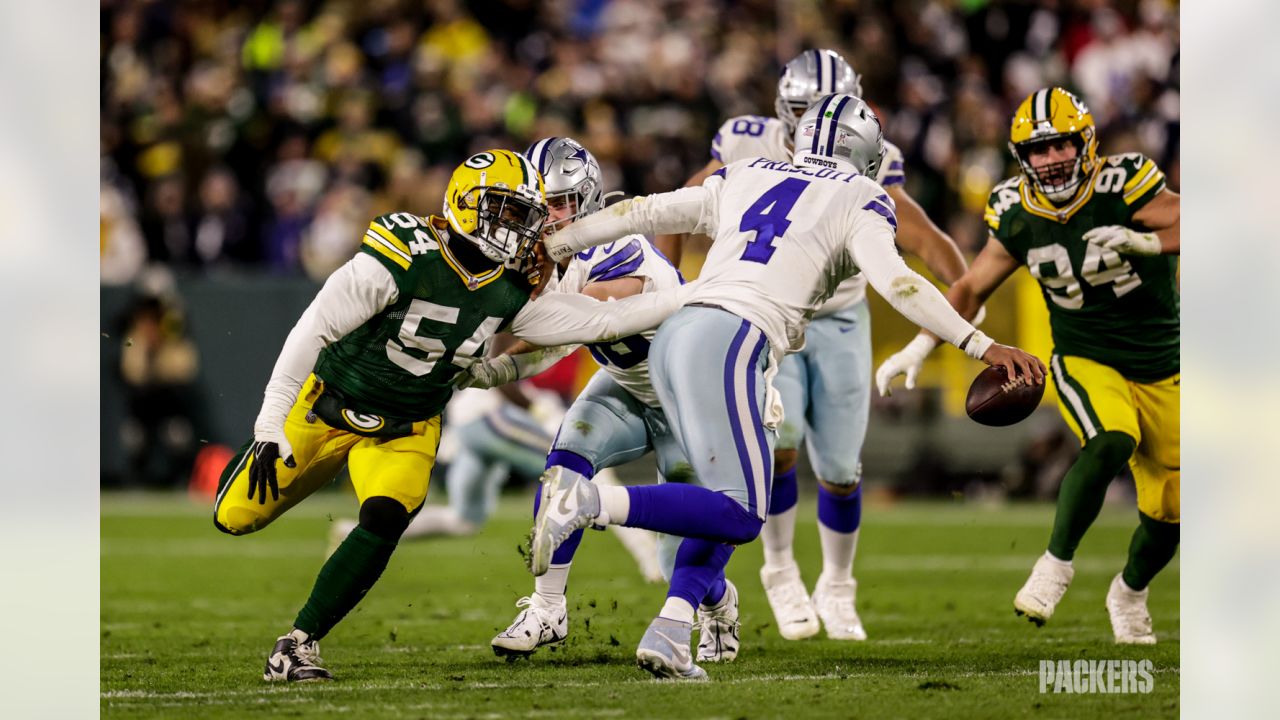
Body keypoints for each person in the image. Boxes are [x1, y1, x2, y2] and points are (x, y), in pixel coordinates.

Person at [534, 95, 1044, 680]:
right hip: (731, 338)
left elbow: (645, 213)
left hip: (678, 334)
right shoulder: (859, 195)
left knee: (724, 498)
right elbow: (901, 285)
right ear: (867, 153)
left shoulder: (750, 171)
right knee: (742, 510)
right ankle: (589, 502)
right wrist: (982, 345)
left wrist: (556, 245)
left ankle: (674, 627)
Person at [212, 149, 694, 682]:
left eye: (524, 215)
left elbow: (601, 322)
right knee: (235, 517)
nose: (518, 228)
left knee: (386, 517)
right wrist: (269, 421)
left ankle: (298, 644)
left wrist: (700, 291)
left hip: (408, 426)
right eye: (506, 211)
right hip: (326, 405)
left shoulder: (513, 288)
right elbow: (314, 328)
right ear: (466, 203)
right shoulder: (404, 251)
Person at [659, 49, 969, 641]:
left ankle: (837, 584)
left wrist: (965, 288)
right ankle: (779, 571)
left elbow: (921, 232)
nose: (815, 124)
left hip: (844, 317)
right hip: (773, 318)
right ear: (784, 110)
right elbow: (680, 206)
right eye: (803, 111)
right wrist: (673, 284)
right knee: (781, 444)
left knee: (842, 470)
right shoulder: (748, 143)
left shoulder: (873, 154)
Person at [875, 87, 1180, 644]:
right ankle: (1054, 566)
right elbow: (971, 286)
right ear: (1021, 157)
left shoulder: (1125, 182)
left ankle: (1130, 590)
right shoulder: (1015, 208)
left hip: (1166, 363)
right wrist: (921, 346)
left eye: (1060, 145)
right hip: (1087, 357)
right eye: (1037, 151)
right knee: (1111, 439)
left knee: (1172, 512)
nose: (1051, 160)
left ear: (1085, 142)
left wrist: (1148, 242)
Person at [453, 137, 714, 660]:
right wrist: (496, 368)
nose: (546, 216)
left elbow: (573, 318)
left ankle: (716, 605)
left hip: (690, 394)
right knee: (561, 472)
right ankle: (547, 608)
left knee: (680, 541)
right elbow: (561, 337)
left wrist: (498, 337)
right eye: (536, 204)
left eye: (558, 203)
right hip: (625, 385)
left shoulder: (618, 245)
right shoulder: (540, 255)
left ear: (589, 200)